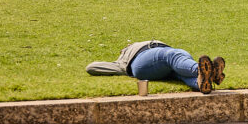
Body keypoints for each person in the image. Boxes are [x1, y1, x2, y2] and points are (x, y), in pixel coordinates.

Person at [85, 40, 225, 95]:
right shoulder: (121, 61)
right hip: (142, 60)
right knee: (171, 56)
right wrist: (121, 60)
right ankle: (204, 71)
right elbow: (91, 67)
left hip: (170, 57)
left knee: (179, 68)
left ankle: (201, 81)